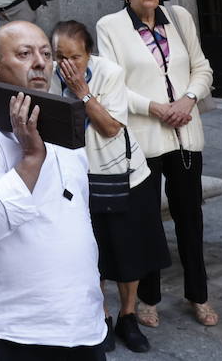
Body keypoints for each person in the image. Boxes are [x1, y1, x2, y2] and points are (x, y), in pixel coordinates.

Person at [0, 21, 107, 358]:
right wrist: (31, 157)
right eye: (24, 54)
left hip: (81, 323)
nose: (40, 62)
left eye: (46, 53)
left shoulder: (60, 125)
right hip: (15, 330)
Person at [96, 0, 217, 329]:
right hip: (143, 140)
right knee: (146, 222)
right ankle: (148, 298)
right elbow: (111, 85)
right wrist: (155, 108)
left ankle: (199, 295)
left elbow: (202, 68)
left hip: (185, 135)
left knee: (190, 219)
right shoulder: (110, 26)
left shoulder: (179, 18)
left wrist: (188, 99)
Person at [51, 20, 169, 354]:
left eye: (75, 57)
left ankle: (128, 316)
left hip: (121, 175)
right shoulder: (47, 72)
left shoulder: (109, 73)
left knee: (128, 251)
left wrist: (82, 93)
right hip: (76, 177)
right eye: (60, 56)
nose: (67, 65)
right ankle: (100, 315)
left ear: (89, 53)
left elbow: (110, 127)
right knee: (91, 252)